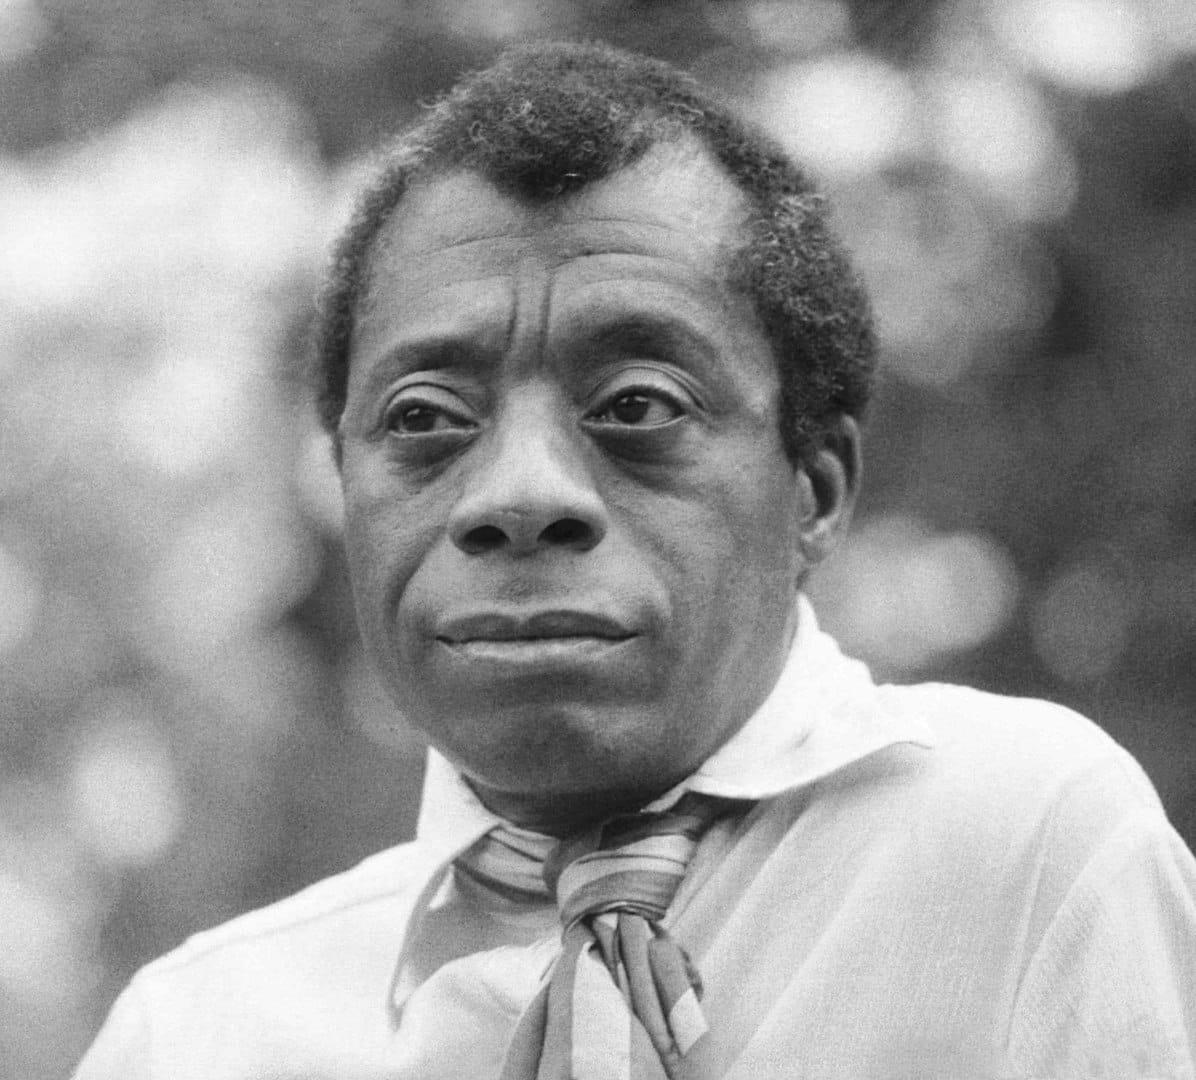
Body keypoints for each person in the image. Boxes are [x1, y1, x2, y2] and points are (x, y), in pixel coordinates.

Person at [74, 41, 1196, 1080]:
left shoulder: (1022, 852)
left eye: (637, 405)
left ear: (814, 490)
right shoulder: (196, 1036)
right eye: (422, 419)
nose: (519, 495)